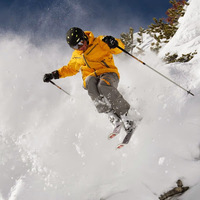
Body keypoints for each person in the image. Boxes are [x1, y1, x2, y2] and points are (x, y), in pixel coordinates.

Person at [43, 27, 135, 133]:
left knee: (102, 85)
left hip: (109, 73)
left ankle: (126, 114)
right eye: (75, 47)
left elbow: (119, 48)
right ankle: (111, 114)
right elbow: (70, 69)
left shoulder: (100, 42)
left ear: (84, 38)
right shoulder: (77, 55)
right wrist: (54, 74)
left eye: (80, 44)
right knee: (89, 82)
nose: (79, 48)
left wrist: (113, 42)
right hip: (92, 77)